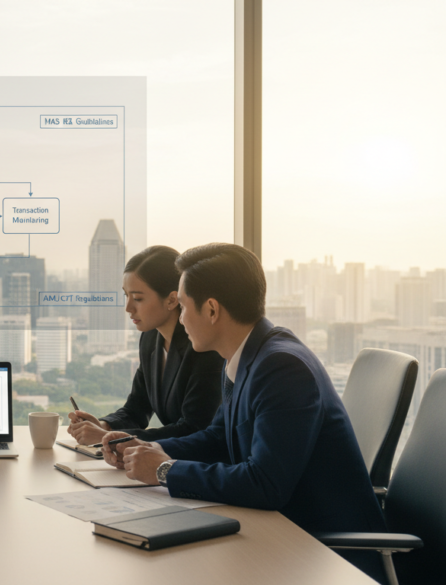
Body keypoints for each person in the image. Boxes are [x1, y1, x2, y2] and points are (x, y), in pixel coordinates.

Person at [101, 243, 386, 582]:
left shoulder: (283, 367)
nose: (181, 318)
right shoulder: (247, 355)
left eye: (184, 306)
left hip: (326, 553)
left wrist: (164, 470)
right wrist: (148, 449)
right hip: (281, 533)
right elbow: (218, 437)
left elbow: (265, 484)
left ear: (211, 310)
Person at [68, 246, 223, 444]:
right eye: (126, 296)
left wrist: (111, 438)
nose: (128, 308)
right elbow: (136, 409)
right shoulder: (150, 338)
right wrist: (103, 425)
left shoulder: (203, 347)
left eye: (138, 298)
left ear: (172, 300)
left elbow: (193, 429)